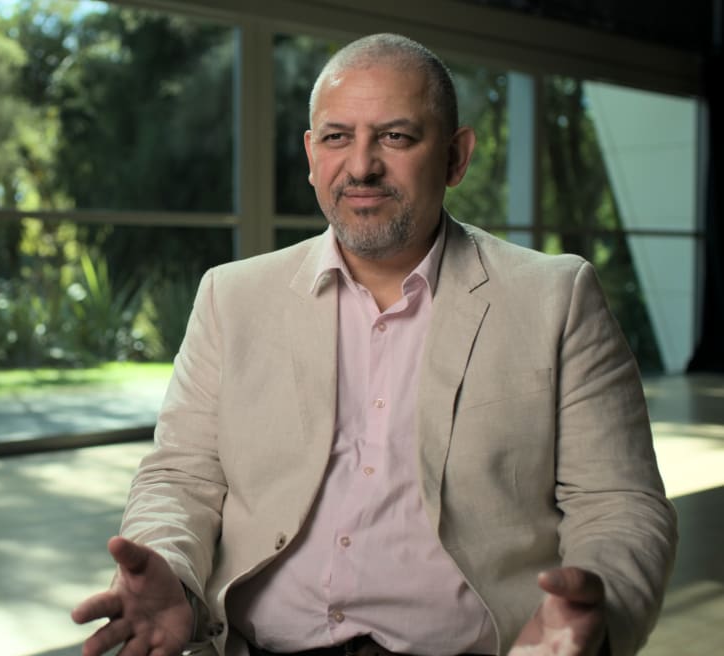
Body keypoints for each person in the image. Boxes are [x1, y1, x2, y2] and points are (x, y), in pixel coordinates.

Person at [71, 33, 677, 656]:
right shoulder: (232, 298)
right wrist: (171, 568)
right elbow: (182, 476)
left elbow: (619, 503)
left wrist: (598, 614)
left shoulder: (557, 298)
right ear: (311, 154)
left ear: (455, 156)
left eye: (395, 136)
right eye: (337, 137)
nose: (361, 166)